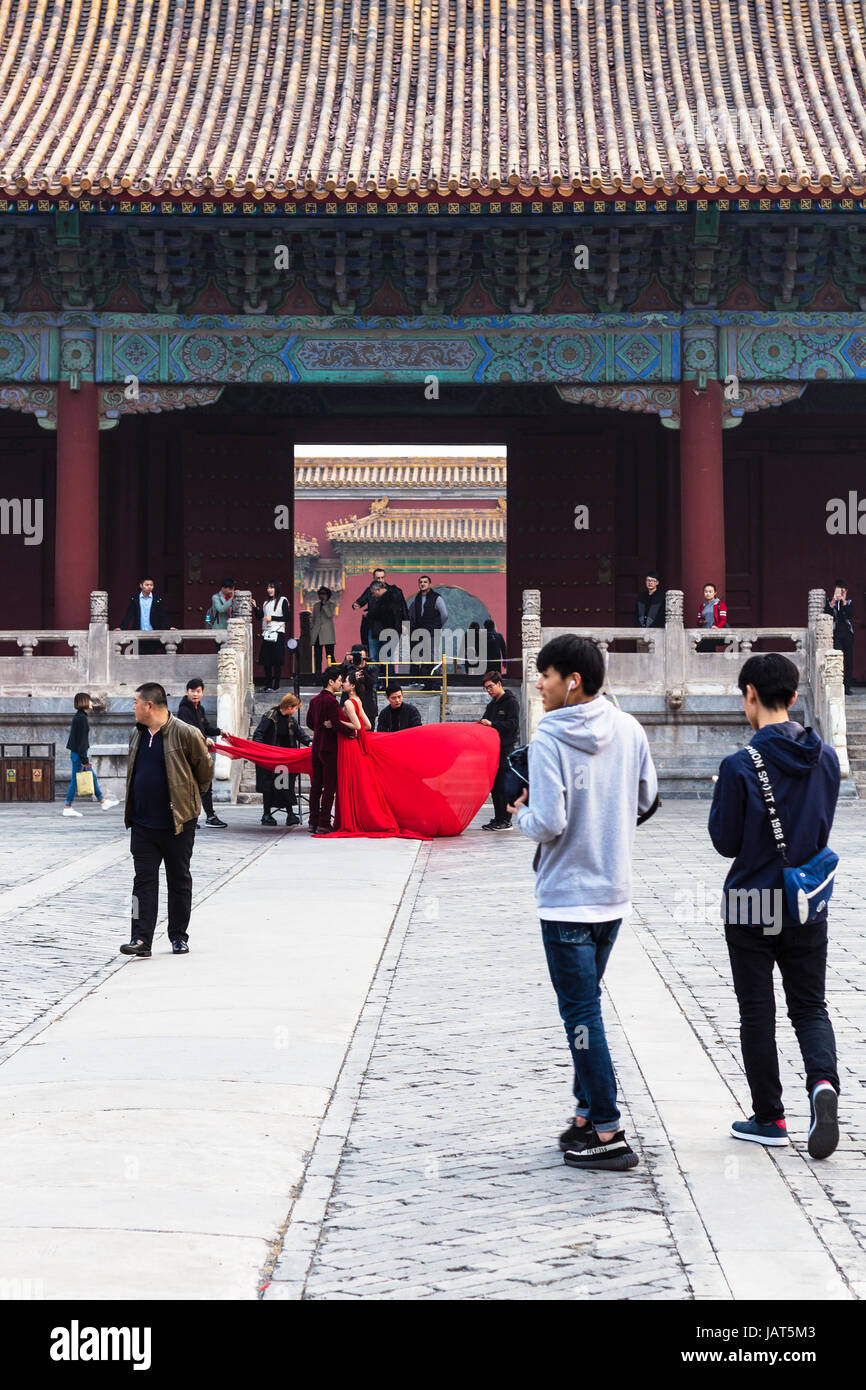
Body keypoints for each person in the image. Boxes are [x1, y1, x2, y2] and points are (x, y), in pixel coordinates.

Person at [509, 633, 658, 1174]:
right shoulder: (629, 727)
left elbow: (549, 822)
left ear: (573, 680)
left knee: (580, 1014)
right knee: (587, 1007)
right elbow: (646, 799)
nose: (539, 686)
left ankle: (609, 1129)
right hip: (612, 894)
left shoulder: (550, 737)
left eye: (546, 675)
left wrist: (520, 813)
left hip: (567, 898)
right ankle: (582, 1116)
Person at [709, 653, 841, 1159]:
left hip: (750, 901)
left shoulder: (740, 764)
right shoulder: (826, 758)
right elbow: (821, 826)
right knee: (810, 1006)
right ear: (792, 694)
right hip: (806, 899)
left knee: (757, 1012)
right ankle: (823, 1085)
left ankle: (770, 1116)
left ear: (750, 695)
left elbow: (725, 842)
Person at [121, 682, 213, 958]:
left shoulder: (186, 733)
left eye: (135, 702)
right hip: (143, 824)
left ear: (149, 705)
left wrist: (190, 801)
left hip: (178, 822)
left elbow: (204, 770)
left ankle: (178, 936)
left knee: (179, 879)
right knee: (142, 882)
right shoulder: (136, 734)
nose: (133, 707)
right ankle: (140, 938)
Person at [306, 666, 358, 835]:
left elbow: (308, 723)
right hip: (329, 748)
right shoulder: (331, 701)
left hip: (316, 747)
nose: (341, 683)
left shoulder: (314, 700)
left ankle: (312, 822)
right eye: (339, 680)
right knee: (329, 787)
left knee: (316, 787)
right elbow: (335, 724)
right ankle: (324, 823)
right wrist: (351, 732)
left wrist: (319, 727)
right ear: (331, 682)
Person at [176, 678, 227, 828]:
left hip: (201, 754)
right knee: (190, 787)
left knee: (206, 785)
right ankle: (187, 818)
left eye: (198, 691)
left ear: (202, 693)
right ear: (187, 692)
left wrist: (219, 732)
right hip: (188, 754)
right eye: (192, 691)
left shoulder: (200, 709)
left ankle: (210, 816)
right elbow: (189, 731)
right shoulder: (184, 710)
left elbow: (205, 727)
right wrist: (204, 739)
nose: (195, 694)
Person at [253, 692, 311, 826]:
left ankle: (290, 815)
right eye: (295, 707)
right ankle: (266, 814)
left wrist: (309, 743)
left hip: (284, 760)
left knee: (285, 786)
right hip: (270, 758)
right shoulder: (270, 717)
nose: (296, 710)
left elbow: (300, 735)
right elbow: (258, 734)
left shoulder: (291, 720)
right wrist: (262, 751)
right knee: (268, 786)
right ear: (290, 706)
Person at [62, 692, 119, 817]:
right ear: (84, 702)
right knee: (75, 780)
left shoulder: (80, 717)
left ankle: (103, 801)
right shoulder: (81, 718)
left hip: (78, 753)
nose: (92, 703)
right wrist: (85, 760)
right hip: (79, 754)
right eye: (89, 700)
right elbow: (81, 742)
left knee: (91, 776)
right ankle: (67, 806)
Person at [479, 670, 521, 830]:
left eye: (490, 687)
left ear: (499, 684)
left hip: (506, 750)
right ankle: (498, 818)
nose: (489, 691)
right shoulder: (492, 705)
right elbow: (485, 721)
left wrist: (493, 724)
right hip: (492, 750)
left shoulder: (511, 702)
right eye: (486, 688)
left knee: (504, 785)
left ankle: (506, 820)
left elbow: (513, 725)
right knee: (495, 786)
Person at [351, 568, 407, 659]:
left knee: (388, 656)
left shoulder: (394, 591)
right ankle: (375, 673)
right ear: (373, 578)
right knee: (373, 655)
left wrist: (405, 624)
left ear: (385, 577)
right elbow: (361, 601)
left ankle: (388, 673)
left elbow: (403, 608)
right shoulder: (370, 590)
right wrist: (356, 604)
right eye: (378, 578)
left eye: (382, 577)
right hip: (374, 626)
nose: (380, 580)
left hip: (389, 626)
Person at [408, 575, 448, 686]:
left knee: (429, 656)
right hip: (417, 631)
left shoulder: (437, 598)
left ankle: (428, 681)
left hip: (431, 632)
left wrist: (437, 626)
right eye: (420, 582)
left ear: (430, 584)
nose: (422, 584)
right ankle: (415, 680)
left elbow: (444, 615)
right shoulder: (417, 598)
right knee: (416, 656)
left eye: (425, 582)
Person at [119, 577, 173, 655]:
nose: (149, 587)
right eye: (147, 585)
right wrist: (122, 627)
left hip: (153, 633)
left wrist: (168, 627)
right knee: (137, 657)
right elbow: (129, 615)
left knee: (151, 656)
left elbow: (162, 615)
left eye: (151, 585)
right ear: (141, 586)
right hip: (138, 632)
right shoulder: (135, 598)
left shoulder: (157, 599)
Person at [254, 581, 290, 691]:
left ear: (276, 588)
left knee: (277, 661)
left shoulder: (283, 600)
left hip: (278, 633)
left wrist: (272, 618)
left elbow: (286, 617)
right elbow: (260, 617)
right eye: (268, 587)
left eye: (272, 587)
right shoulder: (266, 603)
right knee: (266, 661)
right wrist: (255, 607)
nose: (269, 590)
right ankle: (268, 685)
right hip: (267, 633)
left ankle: (276, 685)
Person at [826, 582, 853, 695]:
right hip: (835, 634)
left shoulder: (849, 603)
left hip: (847, 634)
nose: (840, 593)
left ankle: (847, 687)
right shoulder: (829, 601)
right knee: (837, 659)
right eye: (838, 590)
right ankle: (836, 686)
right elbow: (826, 614)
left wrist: (844, 601)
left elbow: (849, 615)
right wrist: (833, 601)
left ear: (845, 591)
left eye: (842, 591)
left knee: (848, 660)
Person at [345, 643, 379, 727]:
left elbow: (372, 682)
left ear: (366, 657)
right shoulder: (347, 668)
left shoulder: (371, 668)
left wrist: (362, 669)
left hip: (368, 708)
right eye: (357, 657)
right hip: (350, 709)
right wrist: (345, 662)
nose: (360, 660)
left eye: (361, 657)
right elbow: (336, 677)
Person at [310, 586, 337, 673]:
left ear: (328, 595)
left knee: (330, 655)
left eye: (324, 594)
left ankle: (333, 673)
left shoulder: (332, 605)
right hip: (317, 634)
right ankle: (318, 675)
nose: (322, 595)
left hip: (327, 634)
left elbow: (329, 615)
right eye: (320, 594)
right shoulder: (316, 605)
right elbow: (313, 619)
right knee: (317, 656)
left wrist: (325, 604)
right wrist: (312, 630)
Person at [696, 581, 727, 652]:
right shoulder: (703, 606)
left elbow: (723, 620)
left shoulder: (720, 605)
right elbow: (698, 621)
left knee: (708, 650)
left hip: (714, 632)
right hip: (704, 633)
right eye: (706, 592)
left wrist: (717, 627)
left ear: (715, 593)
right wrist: (701, 622)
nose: (708, 593)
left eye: (710, 592)